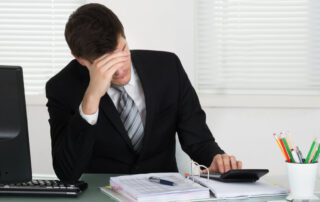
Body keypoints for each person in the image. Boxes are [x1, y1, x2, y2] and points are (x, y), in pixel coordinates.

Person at [46, 3, 242, 182]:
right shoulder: (62, 88)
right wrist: (90, 99)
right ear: (81, 60)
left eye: (122, 50)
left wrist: (216, 158)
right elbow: (66, 173)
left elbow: (198, 139)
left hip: (164, 191)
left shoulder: (168, 68)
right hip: (103, 193)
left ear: (124, 36)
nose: (121, 69)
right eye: (106, 65)